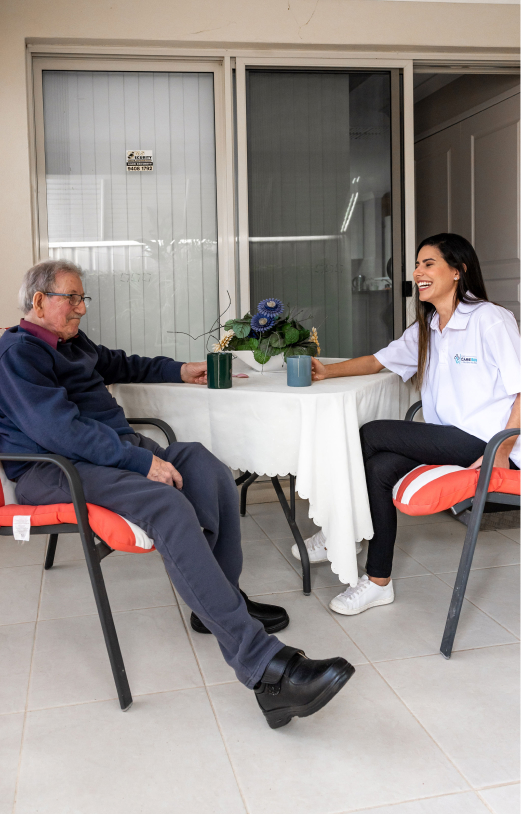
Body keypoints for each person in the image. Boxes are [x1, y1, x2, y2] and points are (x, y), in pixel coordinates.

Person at [0, 260, 354, 728]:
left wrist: (180, 369)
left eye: (84, 299)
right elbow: (59, 431)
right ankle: (263, 668)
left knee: (207, 468)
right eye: (73, 298)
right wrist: (142, 461)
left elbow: (121, 363)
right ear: (39, 300)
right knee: (166, 505)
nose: (82, 309)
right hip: (55, 470)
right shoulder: (18, 353)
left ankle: (217, 604)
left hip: (107, 453)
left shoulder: (70, 343)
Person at [304, 233, 520, 616]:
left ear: (458, 271)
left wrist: (501, 450)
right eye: (417, 265)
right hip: (448, 440)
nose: (417, 272)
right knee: (379, 468)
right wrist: (326, 372)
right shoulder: (429, 326)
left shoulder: (490, 319)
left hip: (487, 444)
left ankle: (343, 528)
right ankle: (378, 582)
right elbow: (377, 361)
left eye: (428, 263)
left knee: (370, 433)